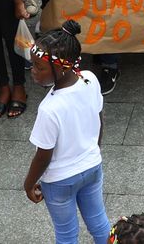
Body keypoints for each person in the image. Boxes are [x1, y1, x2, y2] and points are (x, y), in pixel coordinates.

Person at [23, 20, 111, 244]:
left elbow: (43, 155)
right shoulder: (90, 79)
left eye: (38, 67)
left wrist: (29, 183)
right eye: (32, 64)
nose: (33, 71)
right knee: (99, 222)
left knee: (66, 235)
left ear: (61, 67)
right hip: (92, 166)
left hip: (60, 181)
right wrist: (93, 150)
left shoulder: (49, 108)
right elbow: (99, 119)